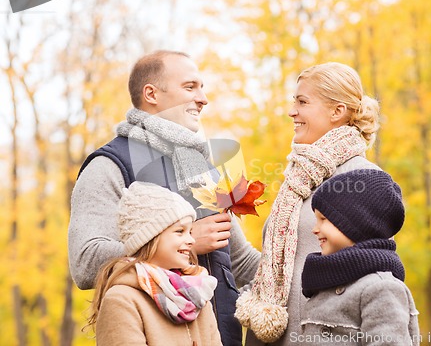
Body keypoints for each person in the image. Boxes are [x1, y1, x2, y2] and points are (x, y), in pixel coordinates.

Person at [69, 50, 260, 345]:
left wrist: (316, 274)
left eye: (202, 88)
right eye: (190, 87)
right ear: (151, 94)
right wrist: (185, 242)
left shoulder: (202, 167)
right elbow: (85, 262)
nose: (203, 99)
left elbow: (242, 262)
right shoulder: (109, 165)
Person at [236, 62, 382, 345]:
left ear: (337, 111)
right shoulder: (300, 178)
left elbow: (376, 280)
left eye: (302, 102)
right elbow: (279, 269)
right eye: (294, 101)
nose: (292, 111)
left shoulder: (364, 179)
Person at [87, 181, 222, 345]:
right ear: (150, 238)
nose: (191, 240)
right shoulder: (121, 300)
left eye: (190, 232)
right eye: (180, 231)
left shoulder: (197, 294)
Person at [300, 169, 420, 345]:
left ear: (356, 223)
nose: (315, 229)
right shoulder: (327, 283)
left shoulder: (380, 288)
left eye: (323, 219)